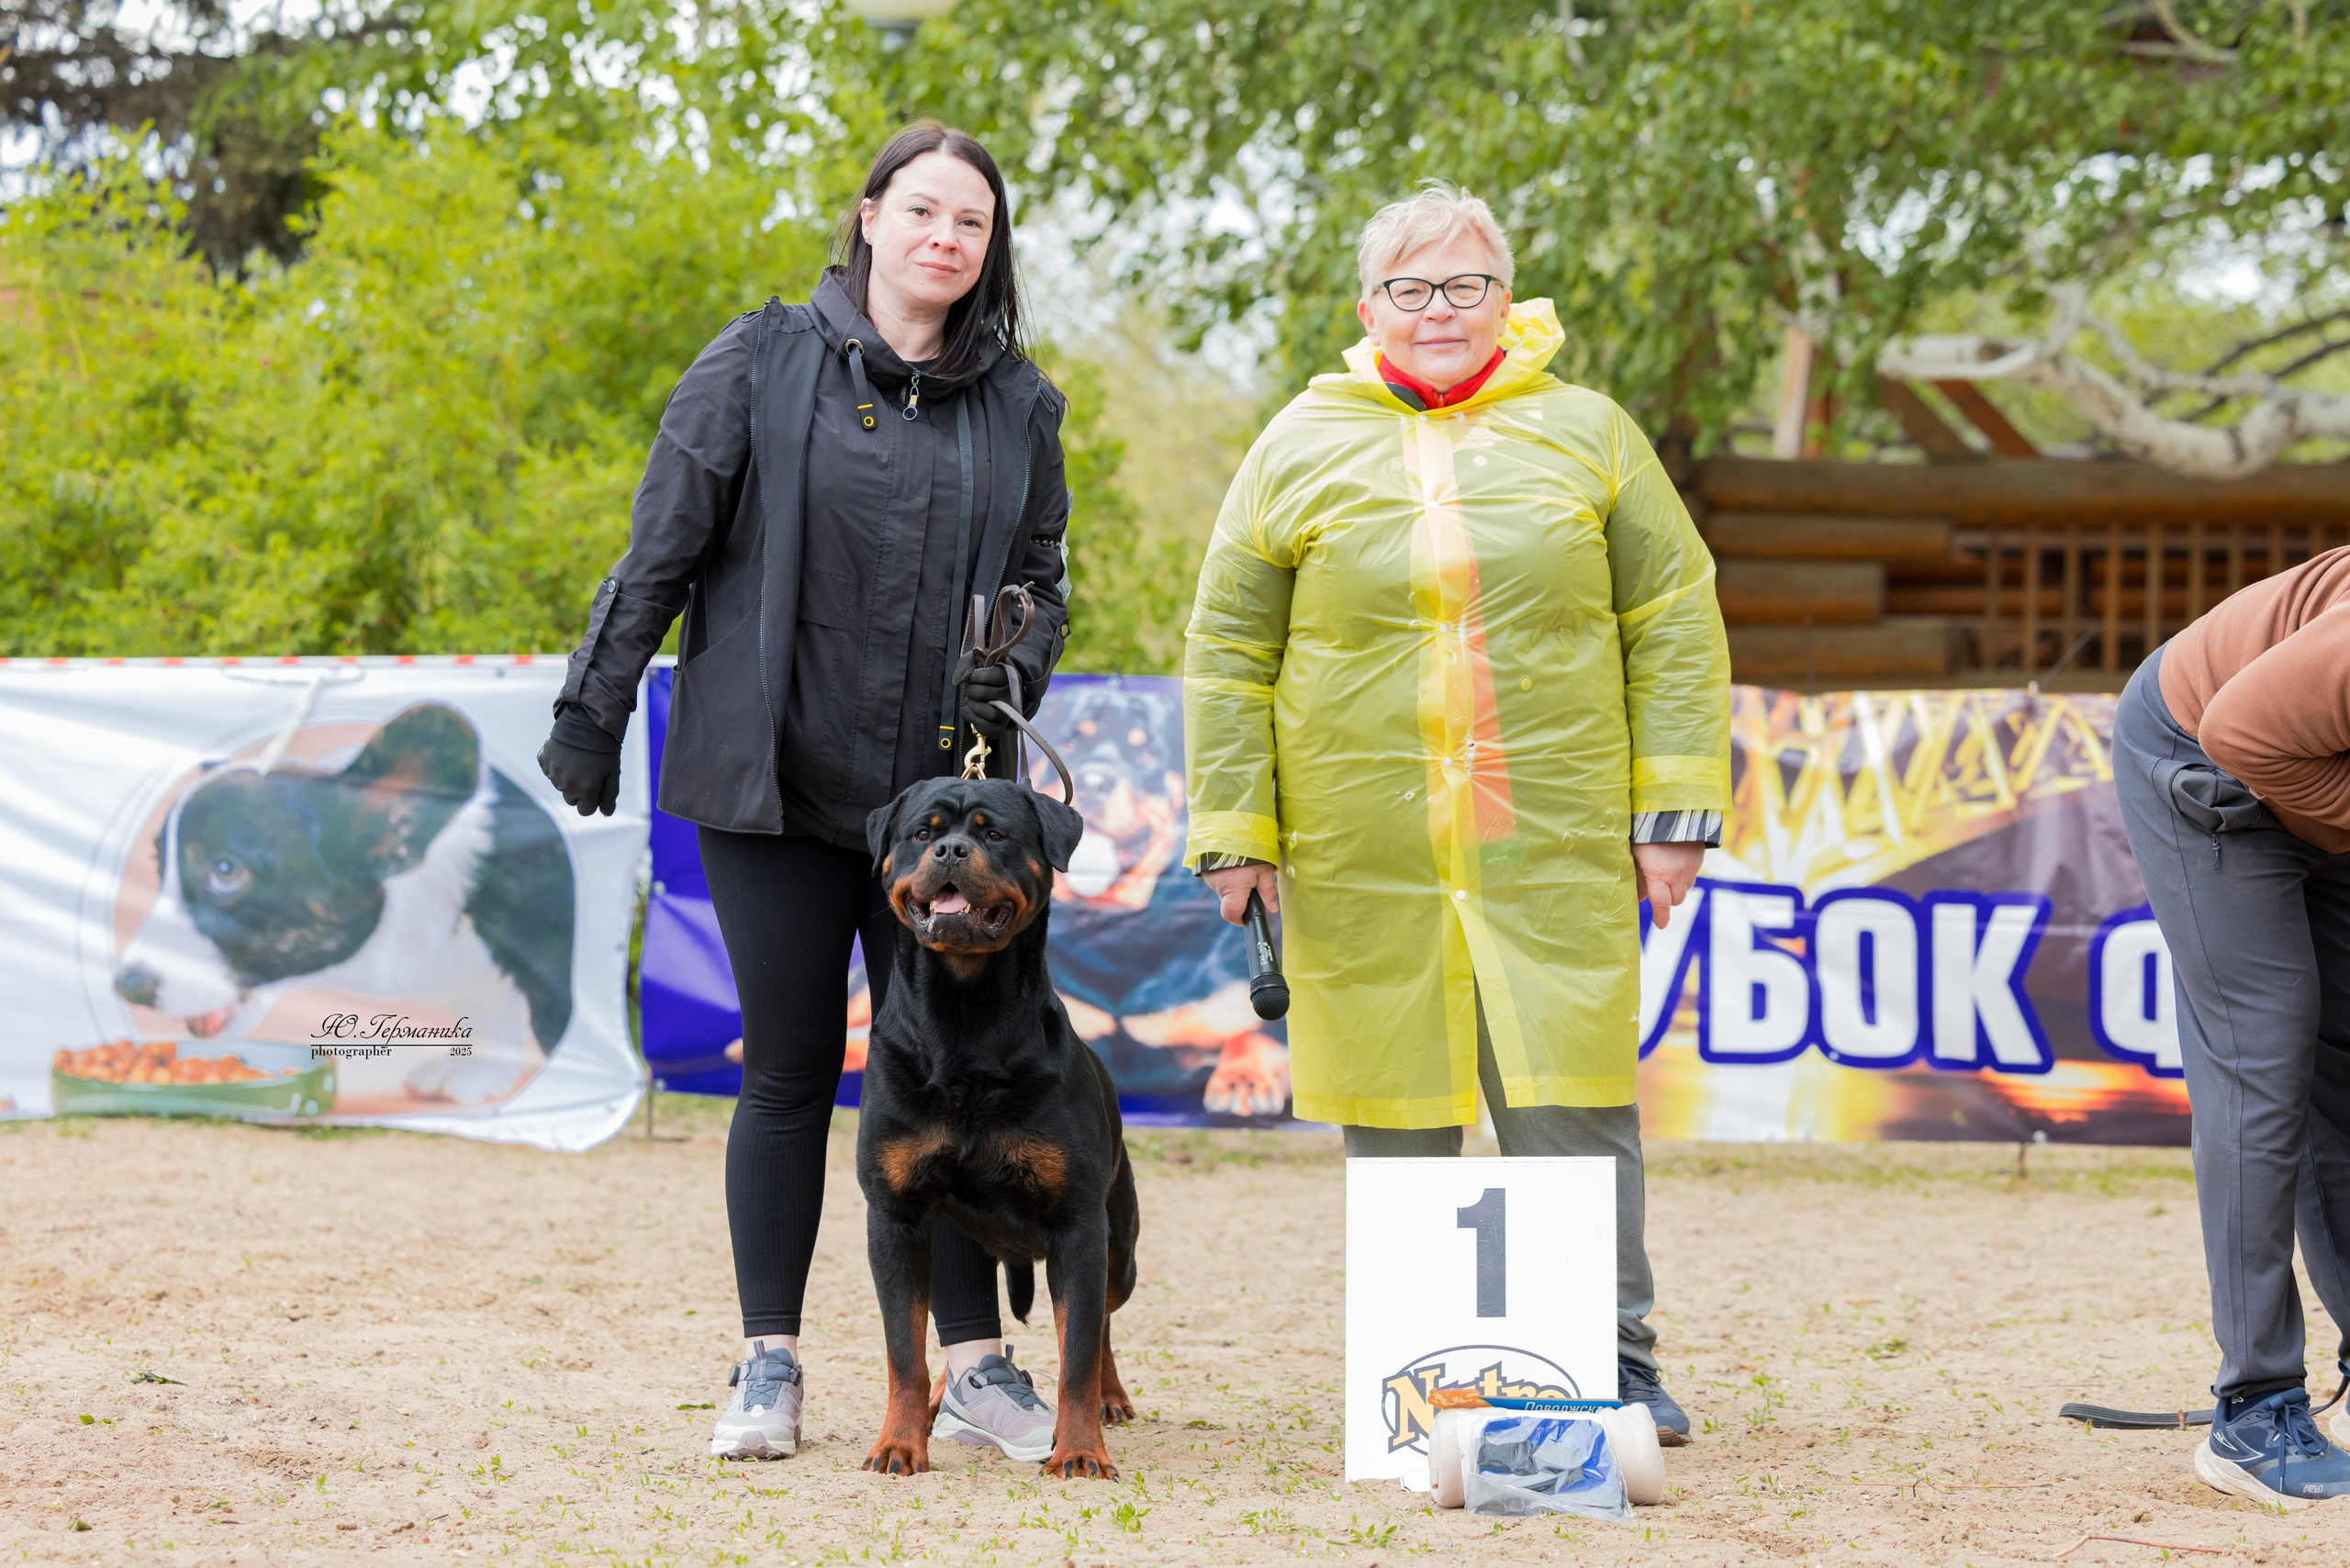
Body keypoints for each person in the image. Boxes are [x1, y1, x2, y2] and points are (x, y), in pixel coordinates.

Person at [536, 122, 1076, 1463]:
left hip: (940, 805)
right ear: (871, 216)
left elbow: (1046, 577)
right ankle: (768, 1365)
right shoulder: (759, 361)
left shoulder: (1022, 405)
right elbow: (659, 544)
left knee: (957, 1082)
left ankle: (979, 1372)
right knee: (786, 1071)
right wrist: (590, 715)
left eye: (973, 222)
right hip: (768, 786)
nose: (948, 238)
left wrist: (1019, 655)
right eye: (925, 212)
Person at [1183, 182, 1730, 1443]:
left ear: (1509, 296)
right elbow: (1225, 648)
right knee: (1392, 1095)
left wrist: (1676, 811)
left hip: (1554, 835)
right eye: (1412, 289)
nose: (1440, 311)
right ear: (1367, 305)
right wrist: (1238, 830)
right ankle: (1426, 1364)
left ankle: (1615, 1353)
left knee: (1572, 1096)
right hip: (1361, 843)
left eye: (1466, 285)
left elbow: (1676, 620)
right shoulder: (1298, 439)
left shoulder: (1589, 432)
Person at [2111, 545, 2350, 1506]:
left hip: (2315, 772)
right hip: (2205, 755)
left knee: (2343, 1063)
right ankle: (2252, 1409)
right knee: (2265, 1060)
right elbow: (2244, 728)